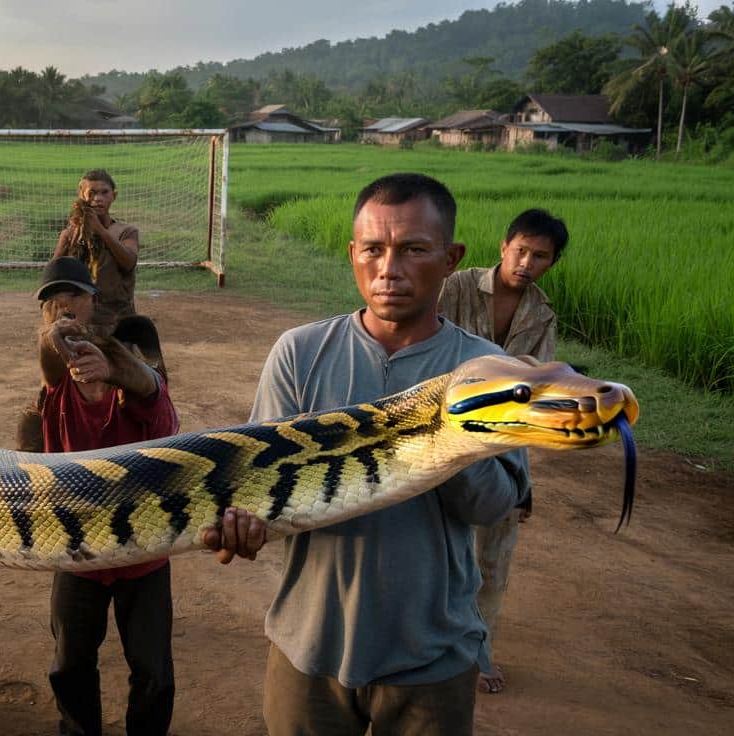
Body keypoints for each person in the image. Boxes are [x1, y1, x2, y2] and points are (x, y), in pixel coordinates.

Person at [205, 173, 530, 736]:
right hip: (310, 644)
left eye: (413, 250)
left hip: (433, 651)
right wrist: (245, 526)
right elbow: (263, 492)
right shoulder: (300, 353)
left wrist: (453, 430)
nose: (389, 270)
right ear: (353, 253)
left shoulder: (488, 372)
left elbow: (493, 505)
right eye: (374, 250)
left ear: (451, 257)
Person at [29, 256, 179, 736]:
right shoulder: (52, 394)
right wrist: (60, 341)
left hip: (143, 555)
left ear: (93, 301)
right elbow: (50, 356)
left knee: (153, 669)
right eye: (53, 300)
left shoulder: (135, 384)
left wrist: (114, 368)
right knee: (70, 662)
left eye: (73, 295)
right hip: (77, 556)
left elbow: (158, 404)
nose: (63, 306)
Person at [438, 207, 568, 695]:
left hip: (500, 442)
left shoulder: (541, 314)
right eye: (521, 251)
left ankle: (478, 653)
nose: (527, 263)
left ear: (551, 263)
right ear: (503, 247)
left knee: (494, 559)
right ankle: (427, 641)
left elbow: (536, 396)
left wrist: (523, 480)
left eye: (541, 256)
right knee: (436, 543)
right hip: (442, 429)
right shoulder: (456, 287)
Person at [53, 169, 140, 336]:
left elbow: (129, 262)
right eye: (91, 193)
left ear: (114, 196)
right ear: (81, 195)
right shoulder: (69, 234)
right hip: (77, 314)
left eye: (104, 192)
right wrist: (69, 240)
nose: (98, 198)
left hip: (115, 314)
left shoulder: (126, 231)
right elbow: (52, 275)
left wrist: (100, 230)